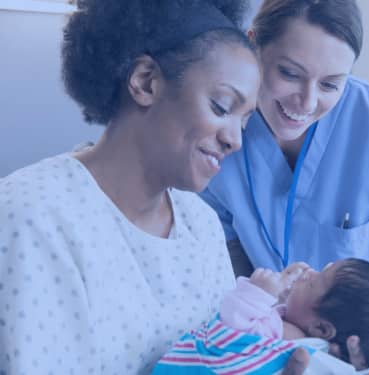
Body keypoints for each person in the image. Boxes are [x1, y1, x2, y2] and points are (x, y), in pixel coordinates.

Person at [0, 0, 265, 374]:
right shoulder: (32, 218)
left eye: (245, 121)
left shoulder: (201, 226)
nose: (235, 140)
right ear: (146, 82)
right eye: (222, 107)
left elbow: (214, 361)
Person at [201, 0, 369, 288]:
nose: (307, 102)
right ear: (253, 46)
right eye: (290, 74)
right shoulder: (213, 126)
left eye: (330, 85)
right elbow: (223, 262)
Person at [152, 259, 369, 374]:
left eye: (314, 282)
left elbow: (232, 334)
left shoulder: (291, 338)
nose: (308, 271)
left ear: (321, 330)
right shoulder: (318, 347)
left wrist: (257, 294)